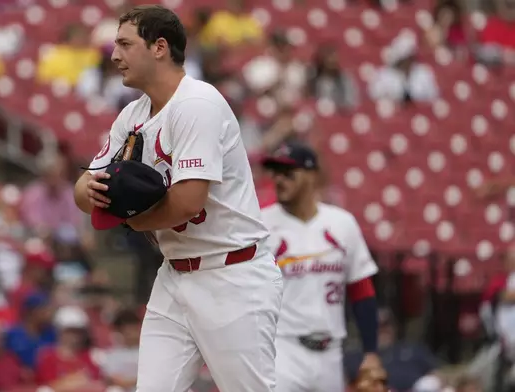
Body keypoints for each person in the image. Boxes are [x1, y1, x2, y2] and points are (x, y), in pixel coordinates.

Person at [73, 5, 283, 392]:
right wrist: (93, 190)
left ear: (159, 47)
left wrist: (130, 219)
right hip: (174, 274)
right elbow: (83, 188)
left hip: (231, 276)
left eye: (124, 43)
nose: (114, 55)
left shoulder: (196, 104)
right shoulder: (132, 115)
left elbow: (189, 202)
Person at [259, 142, 381, 392]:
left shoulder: (342, 223)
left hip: (331, 353)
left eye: (288, 172)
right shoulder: (260, 224)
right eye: (275, 172)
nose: (279, 179)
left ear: (312, 175)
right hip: (281, 348)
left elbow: (362, 290)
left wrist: (371, 351)